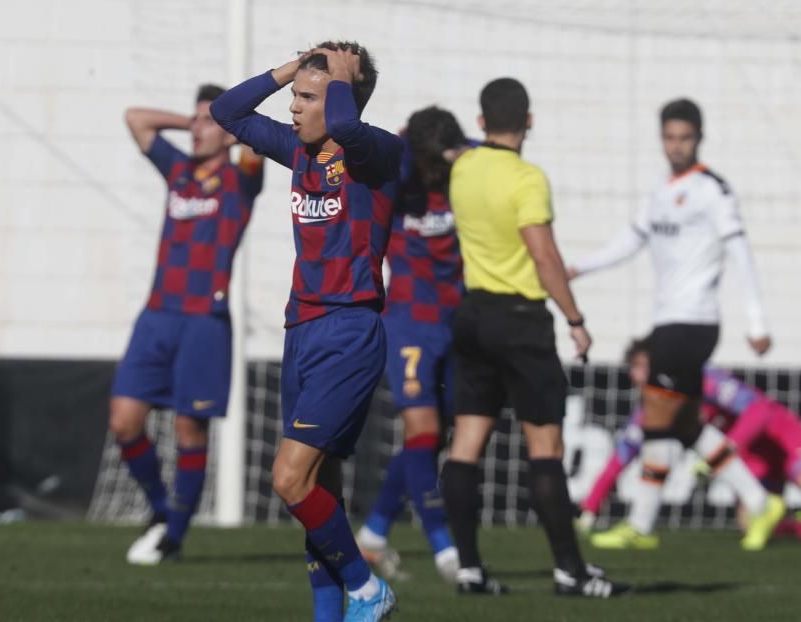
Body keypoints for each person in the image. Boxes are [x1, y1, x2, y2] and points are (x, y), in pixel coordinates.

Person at [211, 42, 399, 621]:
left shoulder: (377, 153)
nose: (294, 107)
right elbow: (229, 114)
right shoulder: (299, 150)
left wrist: (340, 77)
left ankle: (368, 589)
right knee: (320, 489)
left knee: (289, 479)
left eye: (308, 98)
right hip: (303, 329)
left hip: (350, 330)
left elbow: (348, 122)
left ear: (344, 98)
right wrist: (294, 68)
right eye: (295, 96)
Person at [569, 98, 784, 551]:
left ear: (698, 139)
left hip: (692, 322)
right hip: (668, 320)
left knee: (655, 418)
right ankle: (758, 501)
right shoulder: (661, 192)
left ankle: (641, 525)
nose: (676, 146)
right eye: (669, 137)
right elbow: (632, 240)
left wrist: (757, 321)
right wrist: (580, 267)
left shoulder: (713, 190)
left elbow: (740, 252)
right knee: (685, 424)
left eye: (684, 137)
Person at [440, 77, 627, 598]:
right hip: (520, 319)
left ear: (480, 122)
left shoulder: (465, 167)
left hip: (473, 313)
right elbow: (543, 255)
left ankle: (471, 569)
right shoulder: (527, 179)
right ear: (530, 122)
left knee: (466, 445)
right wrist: (574, 317)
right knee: (545, 445)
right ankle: (570, 570)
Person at [584, 337, 801, 546]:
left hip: (780, 437)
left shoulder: (702, 379)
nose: (636, 375)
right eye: (633, 368)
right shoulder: (653, 409)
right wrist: (589, 509)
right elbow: (621, 456)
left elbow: (758, 412)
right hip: (751, 459)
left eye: (642, 365)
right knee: (749, 524)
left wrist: (728, 448)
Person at [111, 84, 263, 565]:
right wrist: (194, 120)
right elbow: (135, 115)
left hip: (204, 321)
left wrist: (228, 125)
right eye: (195, 122)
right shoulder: (179, 169)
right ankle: (160, 512)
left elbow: (261, 147)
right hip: (157, 315)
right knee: (124, 421)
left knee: (188, 429)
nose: (198, 130)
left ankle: (173, 537)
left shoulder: (241, 179)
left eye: (208, 123)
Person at [355, 106, 470, 582]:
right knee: (422, 434)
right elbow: (384, 152)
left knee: (435, 438)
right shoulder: (398, 168)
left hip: (459, 320)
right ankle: (447, 551)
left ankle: (373, 538)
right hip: (408, 321)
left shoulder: (465, 165)